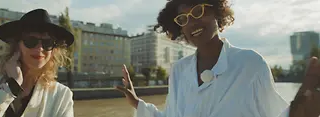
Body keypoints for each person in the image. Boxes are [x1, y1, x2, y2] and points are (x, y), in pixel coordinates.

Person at [115, 0, 320, 117]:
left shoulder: (250, 64)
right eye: (183, 19)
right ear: (179, 29)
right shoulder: (178, 70)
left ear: (217, 12)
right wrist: (137, 103)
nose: (192, 22)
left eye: (198, 11)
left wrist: (302, 106)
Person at [0, 9, 74, 117]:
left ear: (53, 50)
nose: (39, 48)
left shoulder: (61, 96)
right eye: (31, 40)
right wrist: (11, 88)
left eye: (47, 43)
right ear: (16, 46)